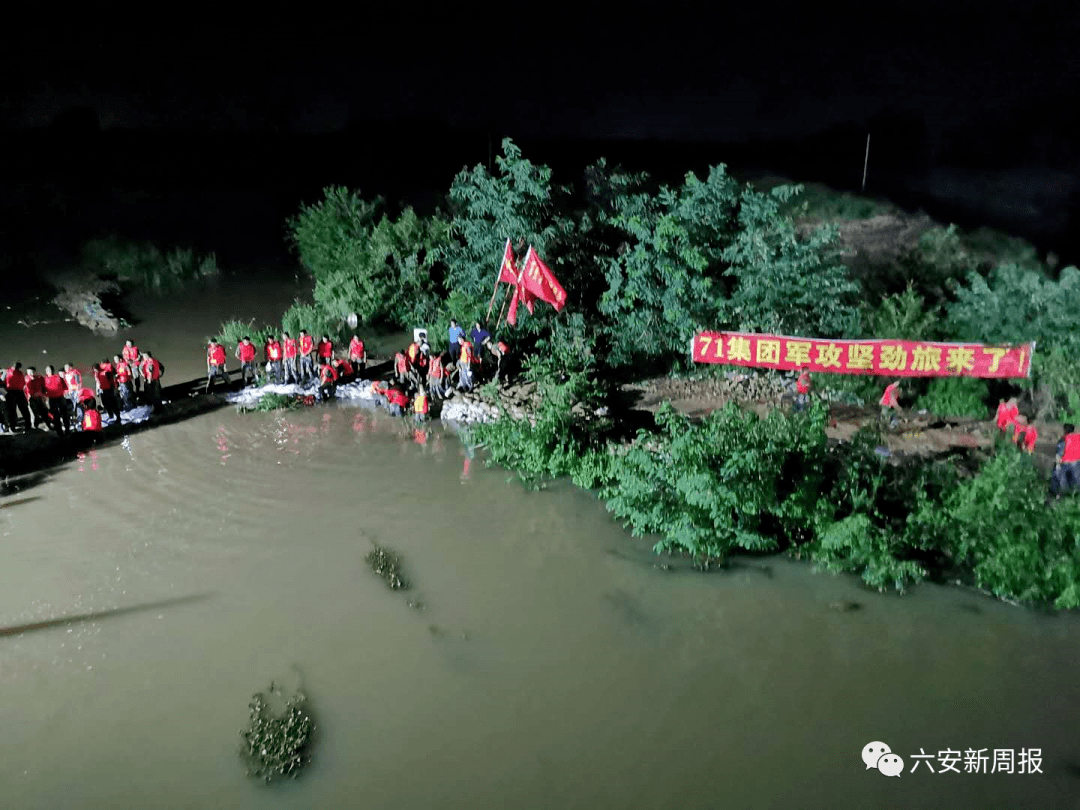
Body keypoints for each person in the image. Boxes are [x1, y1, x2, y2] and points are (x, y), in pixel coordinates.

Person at [1051, 423, 1080, 497]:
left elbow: (1059, 453)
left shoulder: (1064, 439)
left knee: (1060, 480)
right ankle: (1075, 497)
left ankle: (1059, 495)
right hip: (1077, 462)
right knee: (1076, 481)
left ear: (1065, 430)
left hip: (1065, 463)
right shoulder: (1078, 437)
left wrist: (1056, 463)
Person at [42, 365, 71, 434]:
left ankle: (67, 429)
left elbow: (65, 387)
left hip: (60, 397)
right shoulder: (44, 380)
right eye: (48, 370)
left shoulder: (58, 377)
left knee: (64, 414)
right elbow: (43, 390)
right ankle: (59, 431)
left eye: (51, 370)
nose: (50, 371)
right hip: (52, 399)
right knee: (56, 416)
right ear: (46, 371)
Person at [4, 361, 32, 432]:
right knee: (12, 410)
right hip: (11, 392)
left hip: (19, 392)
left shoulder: (20, 373)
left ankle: (28, 425)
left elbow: (23, 382)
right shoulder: (7, 371)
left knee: (24, 409)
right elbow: (2, 381)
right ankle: (12, 426)